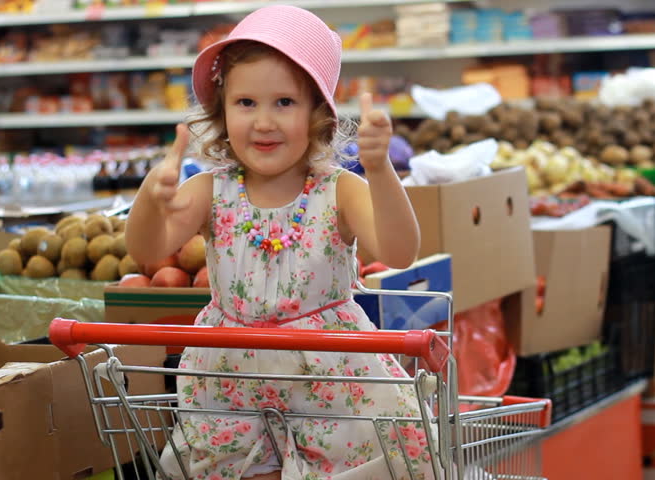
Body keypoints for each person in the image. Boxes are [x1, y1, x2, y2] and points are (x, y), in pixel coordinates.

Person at [125, 5, 434, 480]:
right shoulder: (210, 189)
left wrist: (380, 171)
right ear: (222, 111)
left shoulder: (340, 190)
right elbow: (147, 248)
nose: (263, 121)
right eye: (246, 103)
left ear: (318, 113)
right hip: (230, 379)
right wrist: (149, 199)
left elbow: (399, 251)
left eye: (284, 103)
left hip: (331, 380)